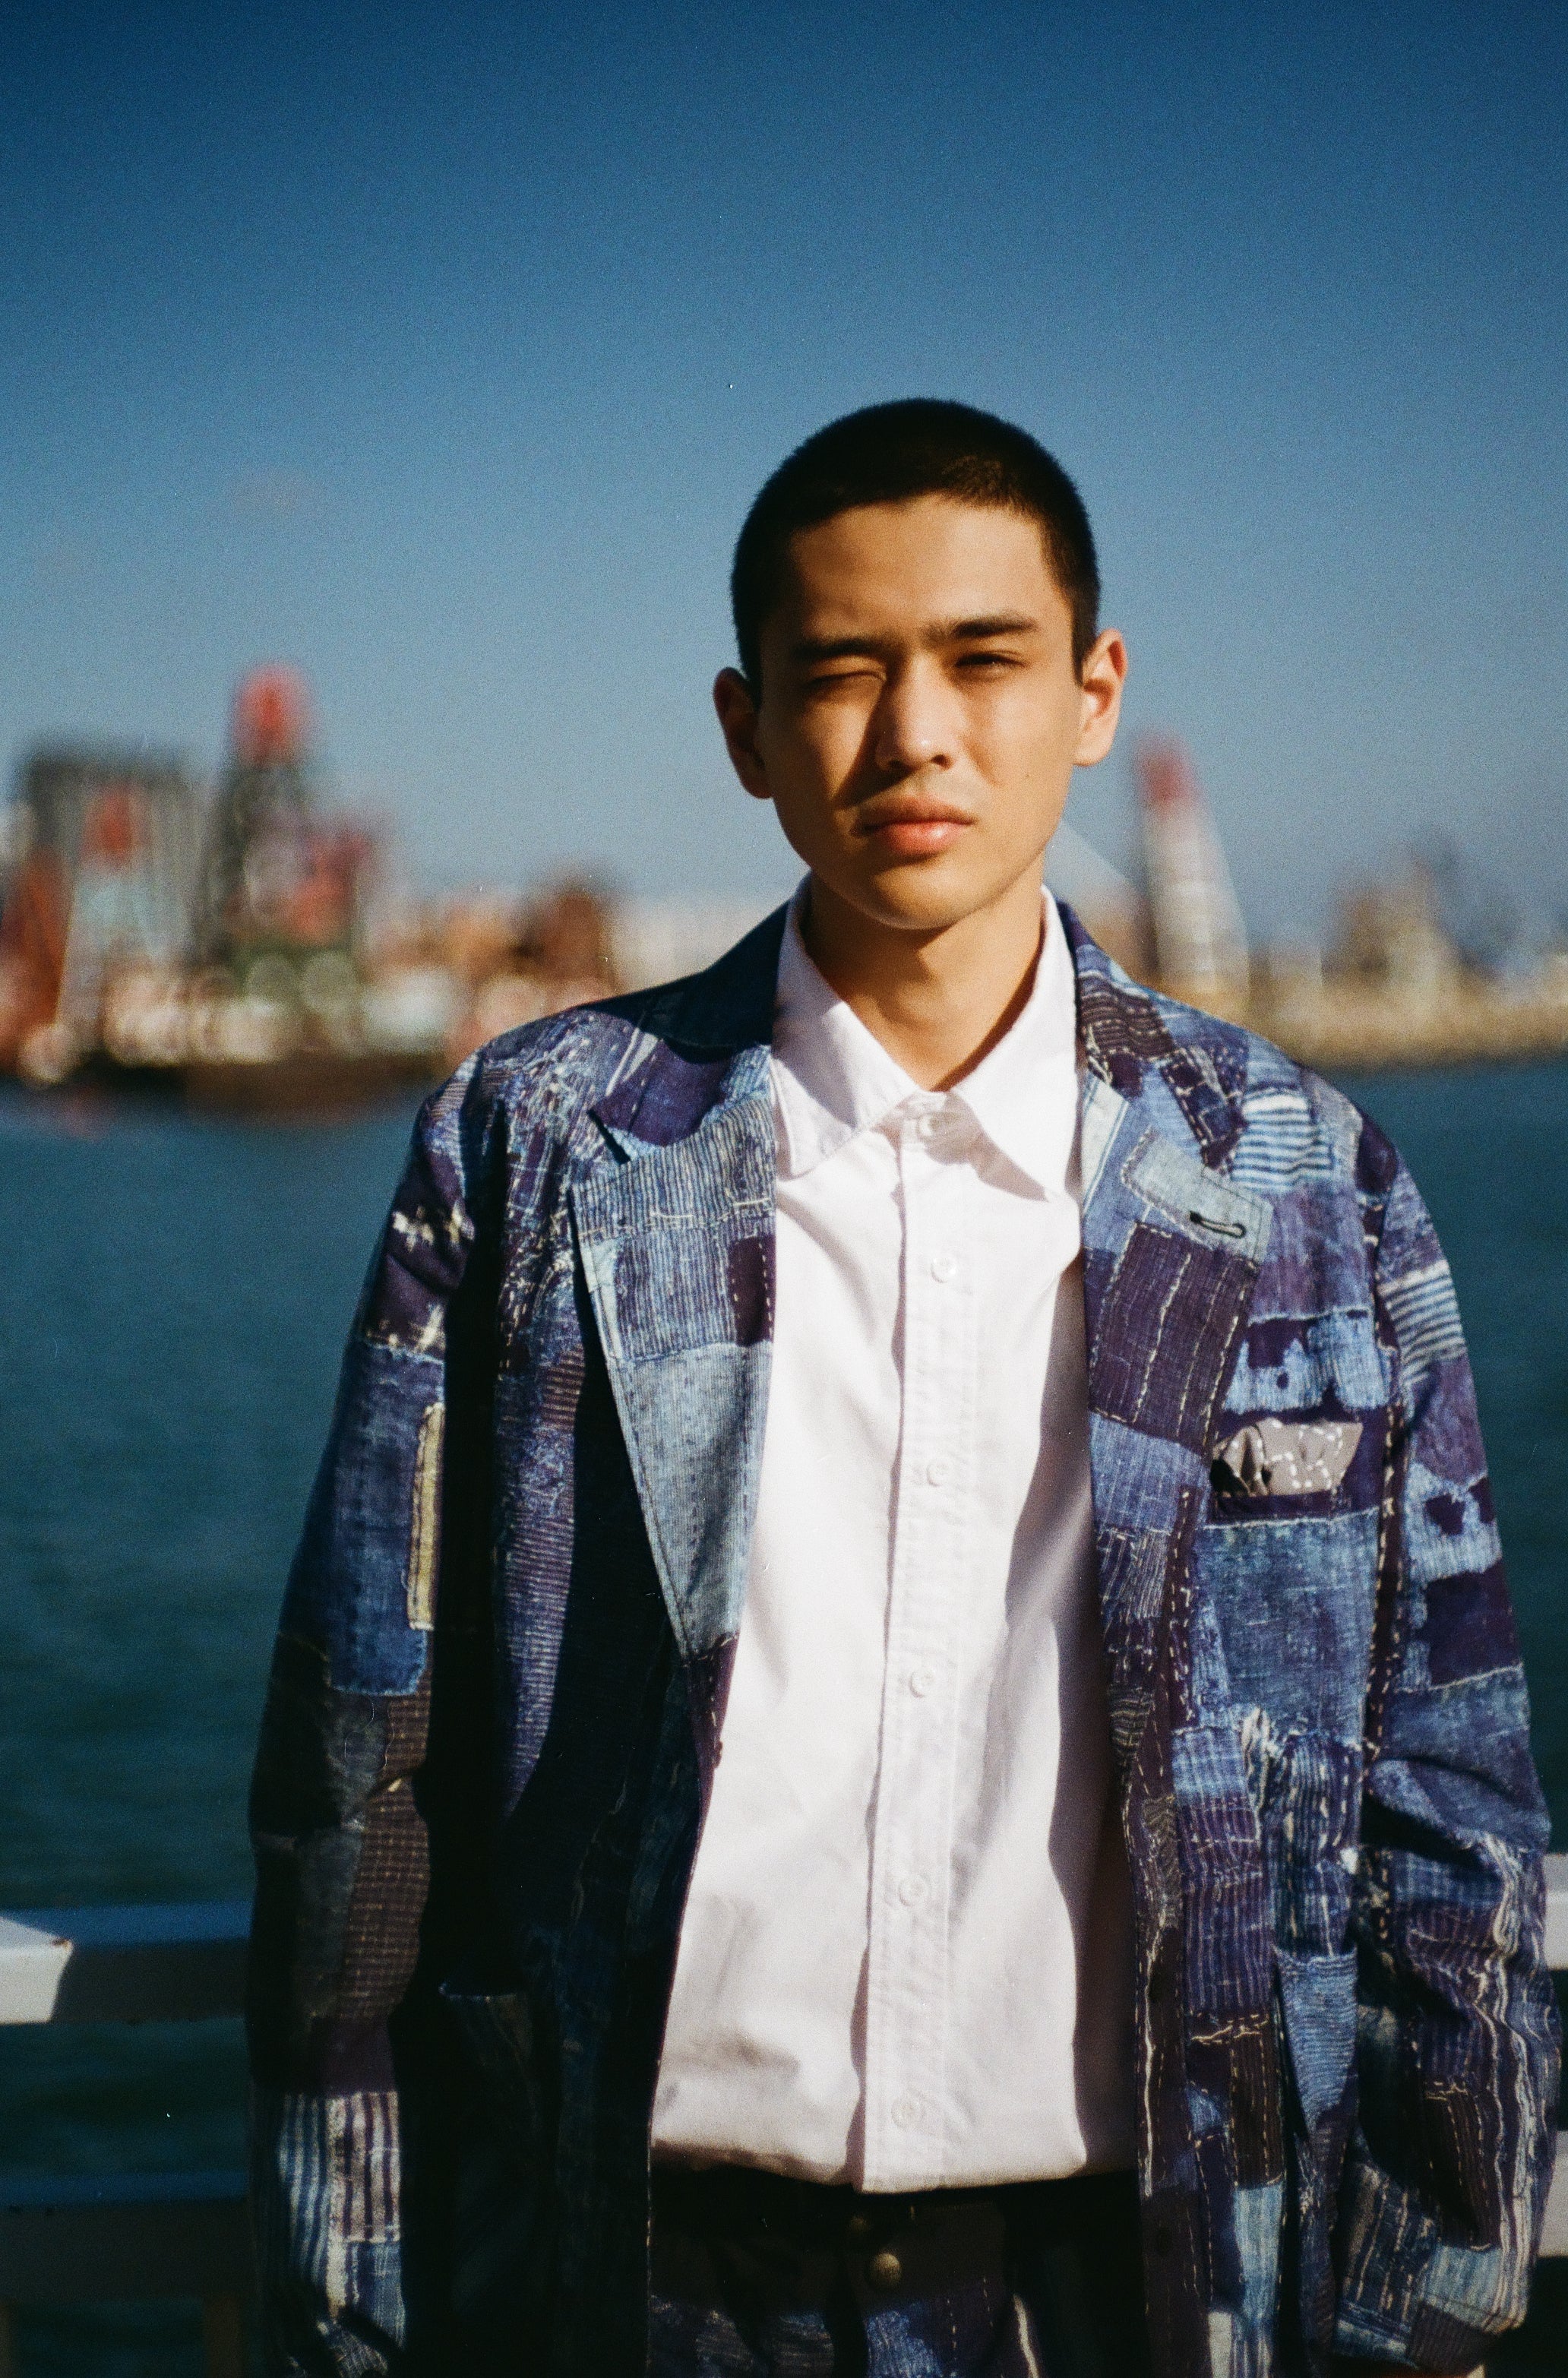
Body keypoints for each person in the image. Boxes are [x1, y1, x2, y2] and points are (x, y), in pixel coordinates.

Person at [247, 400, 1560, 2378]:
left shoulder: (1309, 1183)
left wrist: (1432, 2314)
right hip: (629, 2280)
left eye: (984, 658)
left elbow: (1447, 1792)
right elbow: (362, 1771)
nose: (916, 731)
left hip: (1143, 2285)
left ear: (1094, 693)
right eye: (844, 669)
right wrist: (350, 2316)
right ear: (748, 724)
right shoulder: (534, 1150)